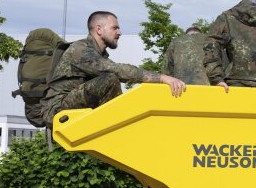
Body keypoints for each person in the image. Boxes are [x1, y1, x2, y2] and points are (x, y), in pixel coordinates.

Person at [43, 11, 185, 123]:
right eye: (114, 28)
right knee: (110, 79)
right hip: (57, 109)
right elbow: (115, 70)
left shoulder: (99, 55)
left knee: (112, 81)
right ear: (99, 29)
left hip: (72, 103)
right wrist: (161, 78)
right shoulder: (80, 50)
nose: (119, 32)